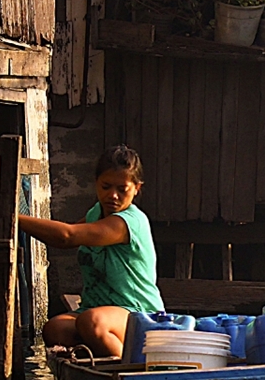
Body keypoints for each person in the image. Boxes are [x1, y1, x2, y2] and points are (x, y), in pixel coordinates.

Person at [19, 145, 164, 357]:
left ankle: (133, 372)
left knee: (91, 321)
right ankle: (103, 363)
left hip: (137, 312)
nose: (112, 195)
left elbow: (67, 236)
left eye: (121, 189)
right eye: (106, 187)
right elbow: (64, 240)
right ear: (96, 183)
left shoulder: (128, 222)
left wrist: (14, 218)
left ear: (136, 189)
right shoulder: (96, 212)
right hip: (96, 310)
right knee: (54, 328)